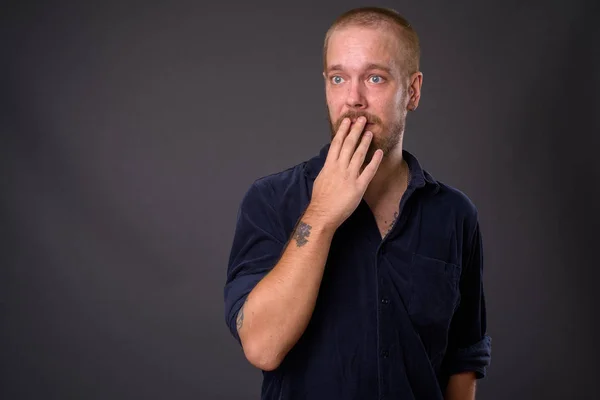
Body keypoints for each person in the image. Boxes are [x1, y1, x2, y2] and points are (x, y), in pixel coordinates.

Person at [223, 6, 491, 400]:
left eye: (375, 78)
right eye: (338, 78)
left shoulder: (454, 214)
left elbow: (463, 360)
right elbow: (262, 347)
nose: (353, 99)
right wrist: (322, 214)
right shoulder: (270, 200)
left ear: (412, 91)